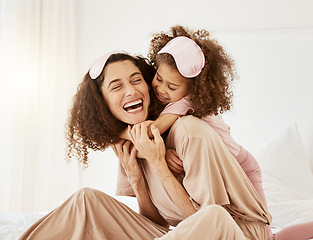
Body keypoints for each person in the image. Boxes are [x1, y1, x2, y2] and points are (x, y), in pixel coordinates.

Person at [19, 51, 270, 240]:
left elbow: (206, 223)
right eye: (116, 86)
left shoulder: (188, 130)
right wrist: (136, 178)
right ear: (102, 103)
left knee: (213, 215)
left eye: (136, 80)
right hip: (183, 233)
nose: (131, 91)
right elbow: (159, 225)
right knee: (87, 199)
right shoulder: (133, 139)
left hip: (237, 233)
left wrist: (158, 162)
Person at [145, 25, 313, 240]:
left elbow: (152, 132)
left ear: (193, 89)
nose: (161, 89)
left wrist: (115, 132)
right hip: (229, 169)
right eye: (158, 78)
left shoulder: (186, 103)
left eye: (172, 86)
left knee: (265, 233)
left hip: (243, 167)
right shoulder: (171, 102)